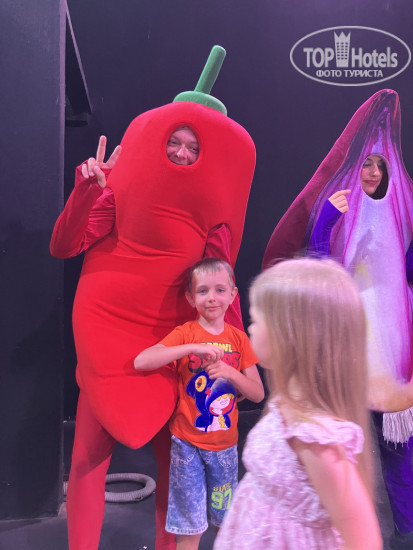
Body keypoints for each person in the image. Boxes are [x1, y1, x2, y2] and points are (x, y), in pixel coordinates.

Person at [50, 45, 257, 550]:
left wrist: (233, 352)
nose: (182, 154)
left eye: (193, 148)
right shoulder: (118, 191)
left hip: (172, 347)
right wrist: (87, 190)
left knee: (178, 465)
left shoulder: (211, 220)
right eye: (176, 143)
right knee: (87, 459)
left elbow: (220, 288)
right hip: (109, 337)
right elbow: (64, 245)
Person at [262, 89, 413, 550]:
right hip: (345, 346)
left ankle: (405, 529)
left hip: (391, 351)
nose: (373, 173)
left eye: (380, 166)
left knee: (397, 449)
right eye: (367, 164)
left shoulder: (402, 211)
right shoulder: (339, 203)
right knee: (343, 447)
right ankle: (340, 532)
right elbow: (319, 271)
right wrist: (326, 222)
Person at [213, 258, 382, 550]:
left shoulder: (314, 436)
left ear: (290, 336)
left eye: (256, 321)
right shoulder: (285, 404)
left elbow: (363, 539)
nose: (250, 329)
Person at [134, 257, 264, 550]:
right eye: (203, 291)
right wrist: (192, 347)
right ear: (191, 298)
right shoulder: (185, 334)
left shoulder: (238, 339)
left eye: (220, 290)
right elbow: (142, 360)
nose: (212, 298)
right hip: (187, 447)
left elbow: (257, 394)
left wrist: (231, 373)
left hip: (225, 449)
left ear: (232, 295)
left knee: (225, 522)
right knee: (188, 526)